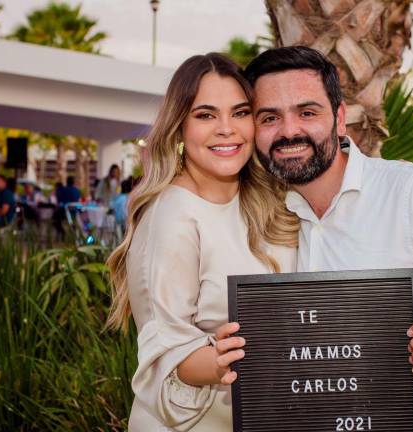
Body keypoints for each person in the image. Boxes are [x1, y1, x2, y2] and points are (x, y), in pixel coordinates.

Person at [242, 46, 413, 431]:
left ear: (339, 119)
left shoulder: (412, 192)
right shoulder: (266, 212)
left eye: (307, 112)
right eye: (270, 117)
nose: (289, 131)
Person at [105, 53, 299, 432]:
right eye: (206, 115)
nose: (226, 129)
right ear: (179, 127)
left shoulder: (271, 200)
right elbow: (165, 355)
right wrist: (220, 360)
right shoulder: (172, 216)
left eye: (240, 113)